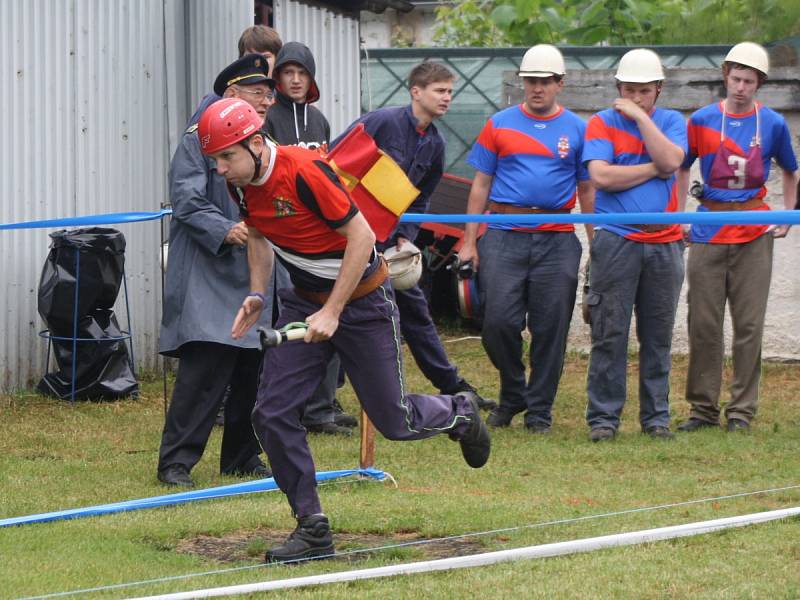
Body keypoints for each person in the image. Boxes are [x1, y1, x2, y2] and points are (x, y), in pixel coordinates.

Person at [197, 97, 491, 562]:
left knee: (395, 421)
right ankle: (312, 528)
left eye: (226, 157)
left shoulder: (304, 171)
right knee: (271, 414)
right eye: (215, 160)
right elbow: (256, 231)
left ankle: (459, 411)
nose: (220, 169)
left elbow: (360, 238)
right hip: (301, 301)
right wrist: (257, 294)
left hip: (362, 302)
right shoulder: (242, 184)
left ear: (255, 143)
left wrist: (333, 311)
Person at [330, 61, 495, 410]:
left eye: (450, 91)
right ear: (416, 91)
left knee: (414, 309)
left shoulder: (435, 143)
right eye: (439, 90)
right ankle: (322, 400)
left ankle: (453, 385)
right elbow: (333, 162)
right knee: (336, 311)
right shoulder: (381, 122)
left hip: (388, 242)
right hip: (344, 238)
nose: (447, 98)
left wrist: (405, 236)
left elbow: (422, 195)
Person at [458, 44, 595, 433]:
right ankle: (514, 391)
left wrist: (594, 242)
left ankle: (539, 411)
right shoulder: (498, 123)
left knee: (552, 327)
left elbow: (587, 190)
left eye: (544, 82)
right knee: (497, 322)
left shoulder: (578, 129)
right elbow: (480, 184)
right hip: (503, 233)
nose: (536, 88)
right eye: (530, 81)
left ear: (559, 84)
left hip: (556, 236)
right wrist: (469, 242)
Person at [156, 55, 278, 487]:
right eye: (256, 93)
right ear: (230, 96)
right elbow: (185, 199)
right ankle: (176, 462)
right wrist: (226, 229)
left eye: (268, 94)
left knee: (252, 370)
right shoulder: (197, 139)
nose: (265, 101)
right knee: (205, 368)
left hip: (255, 270)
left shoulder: (264, 140)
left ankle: (243, 456)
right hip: (210, 268)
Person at [676, 42, 798, 433]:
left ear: (759, 83)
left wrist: (788, 215)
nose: (741, 86)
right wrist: (680, 216)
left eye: (749, 80)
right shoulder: (702, 119)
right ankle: (702, 409)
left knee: (749, 324)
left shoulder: (774, 123)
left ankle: (742, 410)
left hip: (754, 227)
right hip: (710, 223)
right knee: (704, 321)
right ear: (725, 75)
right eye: (736, 77)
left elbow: (791, 170)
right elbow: (682, 167)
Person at [582, 48, 687, 442]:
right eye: (629, 90)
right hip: (616, 240)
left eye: (644, 92)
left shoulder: (673, 121)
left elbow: (672, 158)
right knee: (609, 332)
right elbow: (602, 177)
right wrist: (654, 170)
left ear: (658, 89)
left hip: (665, 243)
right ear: (618, 87)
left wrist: (642, 120)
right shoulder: (600, 123)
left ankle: (656, 418)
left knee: (658, 335)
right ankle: (603, 420)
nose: (636, 97)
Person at [265, 41, 355, 435]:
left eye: (302, 73)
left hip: (325, 237)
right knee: (292, 326)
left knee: (331, 315)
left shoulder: (318, 121)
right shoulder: (268, 121)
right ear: (278, 78)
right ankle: (292, 406)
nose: (296, 80)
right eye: (288, 72)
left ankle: (323, 407)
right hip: (284, 239)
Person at [189, 25, 283, 124]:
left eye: (266, 57)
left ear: (277, 59)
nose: (258, 63)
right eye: (250, 57)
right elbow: (193, 137)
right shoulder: (217, 100)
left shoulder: (284, 102)